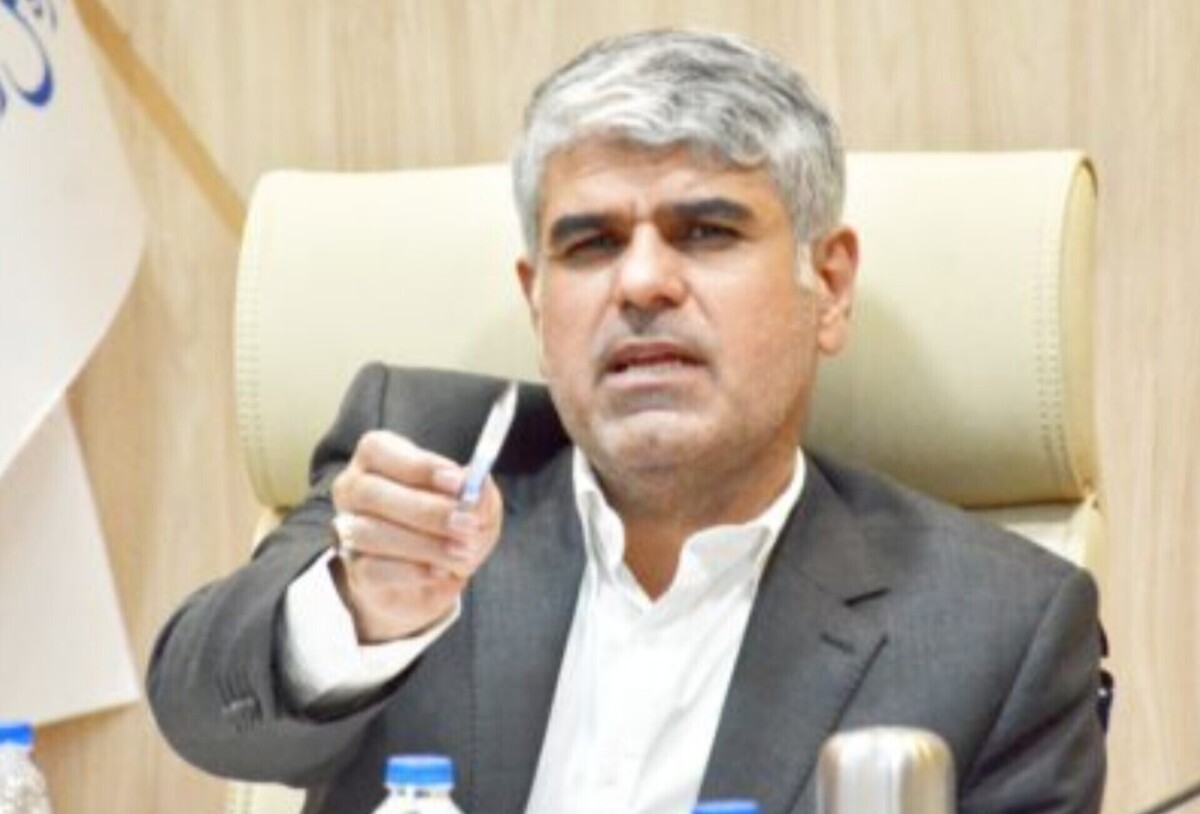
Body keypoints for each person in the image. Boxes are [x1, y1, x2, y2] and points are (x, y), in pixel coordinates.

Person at [147, 29, 1105, 814]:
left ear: (830, 285)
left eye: (707, 231)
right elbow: (204, 713)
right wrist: (361, 610)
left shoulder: (996, 632)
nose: (642, 282)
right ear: (537, 300)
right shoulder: (429, 459)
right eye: (592, 243)